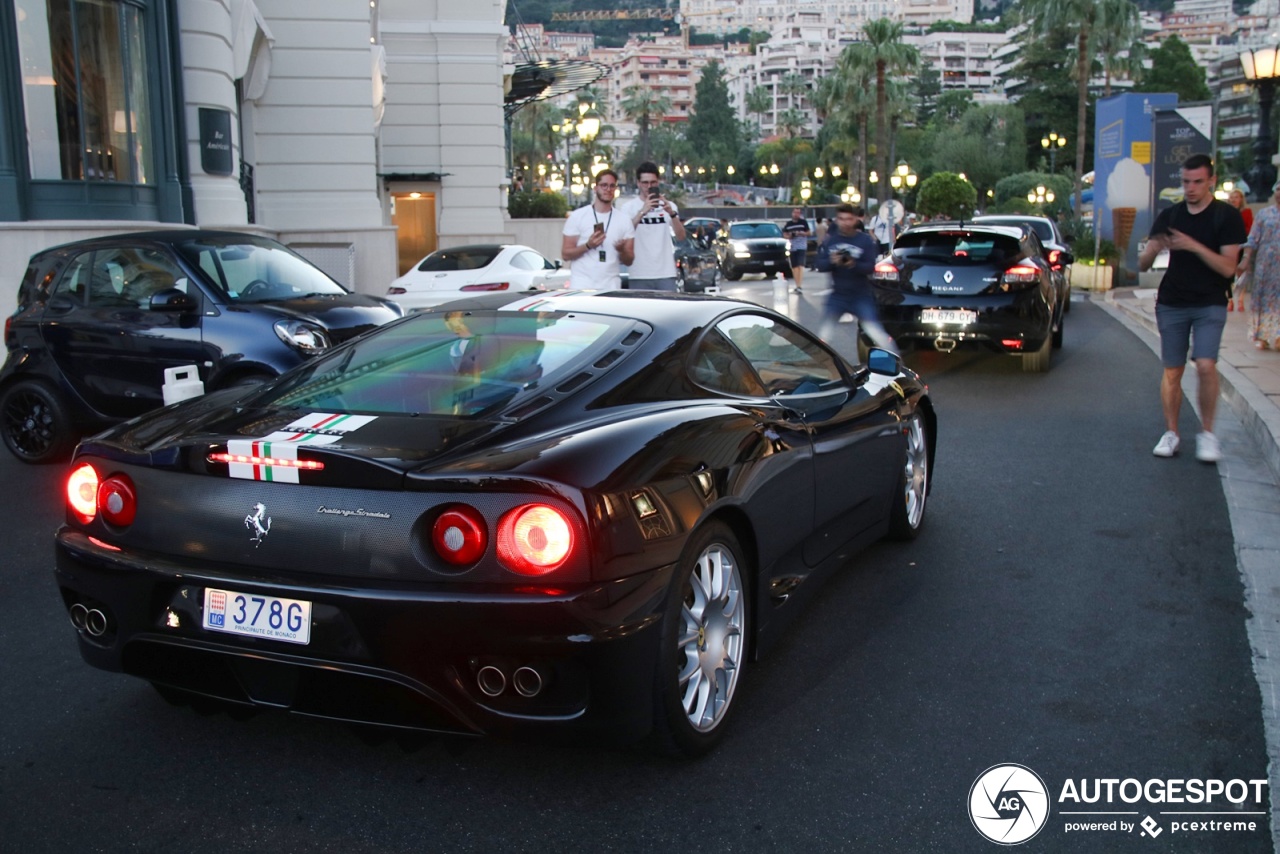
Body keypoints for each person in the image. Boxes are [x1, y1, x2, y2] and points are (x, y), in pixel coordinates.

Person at [1138, 154, 1247, 463]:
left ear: (1211, 180)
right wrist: (1154, 249)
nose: (1191, 188)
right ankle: (1171, 433)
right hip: (1172, 301)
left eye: (1198, 182)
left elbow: (1228, 268)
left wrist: (1193, 245)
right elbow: (1142, 264)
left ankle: (1208, 434)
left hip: (1210, 302)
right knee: (1173, 369)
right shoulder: (1171, 215)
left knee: (1206, 365)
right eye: (1186, 182)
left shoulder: (1226, 217)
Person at [816, 204, 895, 358]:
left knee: (875, 332)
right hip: (838, 295)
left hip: (861, 295)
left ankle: (895, 362)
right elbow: (820, 265)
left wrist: (853, 264)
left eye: (849, 219)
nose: (845, 223)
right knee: (823, 335)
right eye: (841, 219)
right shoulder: (831, 241)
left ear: (855, 220)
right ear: (837, 220)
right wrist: (832, 261)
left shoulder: (865, 240)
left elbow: (870, 267)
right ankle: (816, 366)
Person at [561, 170, 635, 290]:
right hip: (581, 286)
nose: (608, 189)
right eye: (604, 185)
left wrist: (622, 250)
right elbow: (565, 254)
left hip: (611, 286)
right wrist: (588, 246)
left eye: (612, 186)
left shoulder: (624, 220)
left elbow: (629, 260)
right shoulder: (578, 216)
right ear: (595, 188)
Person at [618, 161, 685, 290]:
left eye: (653, 182)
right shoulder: (628, 207)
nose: (649, 186)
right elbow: (624, 235)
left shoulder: (669, 205)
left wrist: (671, 213)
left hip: (666, 272)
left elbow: (681, 236)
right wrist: (642, 211)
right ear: (638, 183)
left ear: (658, 182)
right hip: (639, 273)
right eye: (645, 183)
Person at [1238, 179, 1280, 351]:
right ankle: (1261, 335)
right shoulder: (1264, 214)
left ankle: (1278, 336)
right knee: (1263, 299)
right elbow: (1253, 239)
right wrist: (1246, 259)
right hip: (1266, 264)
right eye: (1278, 189)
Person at [1227, 188, 1254, 311]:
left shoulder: (1246, 212)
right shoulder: (1225, 212)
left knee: (1242, 273)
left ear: (1241, 199)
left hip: (1242, 244)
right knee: (1228, 273)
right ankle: (1229, 299)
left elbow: (1250, 229)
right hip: (1229, 245)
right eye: (1232, 197)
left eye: (1236, 197)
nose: (1233, 199)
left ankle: (1240, 299)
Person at [782, 207, 810, 294]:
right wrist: (790, 236)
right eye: (795, 212)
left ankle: (799, 285)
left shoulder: (803, 223)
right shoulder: (789, 224)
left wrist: (802, 233)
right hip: (792, 247)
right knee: (794, 267)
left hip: (801, 247)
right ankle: (797, 284)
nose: (796, 214)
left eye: (798, 213)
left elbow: (809, 233)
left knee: (800, 266)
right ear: (792, 213)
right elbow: (784, 234)